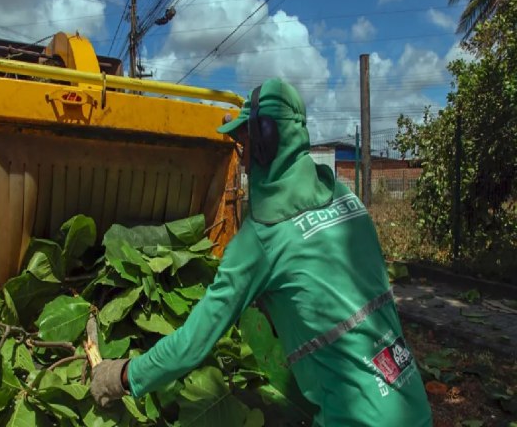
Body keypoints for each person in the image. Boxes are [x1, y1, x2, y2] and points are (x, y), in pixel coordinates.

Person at [90, 78, 433, 426]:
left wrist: (121, 376)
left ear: (266, 142)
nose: (241, 157)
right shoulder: (349, 201)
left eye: (244, 143)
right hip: (410, 404)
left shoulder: (261, 240)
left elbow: (191, 345)